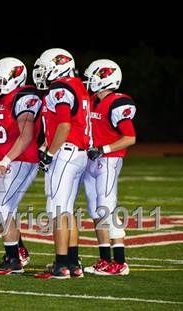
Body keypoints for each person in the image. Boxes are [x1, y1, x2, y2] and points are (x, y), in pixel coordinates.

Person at [0, 57, 42, 274]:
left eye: (1, 80)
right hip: (6, 160)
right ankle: (15, 253)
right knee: (2, 209)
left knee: (3, 207)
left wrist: (6, 160)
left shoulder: (24, 97)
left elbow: (26, 135)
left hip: (22, 159)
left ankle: (14, 259)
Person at [32, 48, 90, 279]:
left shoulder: (61, 88)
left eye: (46, 68)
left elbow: (64, 126)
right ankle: (73, 263)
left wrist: (49, 152)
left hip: (66, 153)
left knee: (58, 211)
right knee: (66, 211)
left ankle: (61, 264)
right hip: (77, 153)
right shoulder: (77, 85)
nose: (42, 74)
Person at [82, 59, 135, 276]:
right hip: (91, 160)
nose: (89, 80)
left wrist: (103, 149)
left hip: (108, 160)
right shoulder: (93, 100)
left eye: (93, 76)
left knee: (106, 208)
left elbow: (130, 137)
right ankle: (105, 259)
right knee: (96, 211)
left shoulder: (117, 103)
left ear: (106, 78)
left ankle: (120, 262)